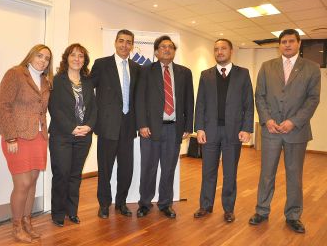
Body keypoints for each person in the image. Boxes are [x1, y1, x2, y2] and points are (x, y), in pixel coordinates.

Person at [249, 29, 321, 233]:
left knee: (294, 175)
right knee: (266, 174)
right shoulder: (266, 67)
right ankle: (262, 211)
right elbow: (259, 96)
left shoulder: (312, 68)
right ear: (279, 45)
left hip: (296, 131)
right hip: (271, 130)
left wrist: (294, 121)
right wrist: (267, 119)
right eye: (283, 42)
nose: (287, 45)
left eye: (291, 41)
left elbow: (313, 99)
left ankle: (293, 215)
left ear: (299, 43)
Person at [0, 44, 53, 243]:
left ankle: (28, 222)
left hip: (38, 137)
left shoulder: (46, 81)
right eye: (40, 56)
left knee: (32, 183)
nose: (43, 60)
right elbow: (3, 106)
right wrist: (10, 136)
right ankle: (17, 226)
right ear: (30, 56)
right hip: (17, 137)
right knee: (23, 184)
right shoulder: (15, 74)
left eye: (47, 58)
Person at [193, 39, 254, 223]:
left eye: (223, 48)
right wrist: (200, 128)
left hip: (233, 132)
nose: (219, 52)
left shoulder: (243, 74)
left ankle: (228, 208)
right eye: (216, 49)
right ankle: (205, 205)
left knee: (230, 173)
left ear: (231, 51)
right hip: (210, 131)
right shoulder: (206, 75)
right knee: (208, 171)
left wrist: (246, 128)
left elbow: (248, 104)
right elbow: (200, 103)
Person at [136, 35, 194, 218]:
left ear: (174, 51)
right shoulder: (145, 71)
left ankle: (165, 203)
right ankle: (145, 203)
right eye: (163, 47)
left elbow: (189, 101)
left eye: (170, 47)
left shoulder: (185, 72)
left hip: (174, 128)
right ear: (156, 52)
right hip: (151, 129)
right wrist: (142, 125)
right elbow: (140, 100)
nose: (167, 49)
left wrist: (188, 126)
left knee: (169, 168)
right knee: (148, 167)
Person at [90, 29, 140, 219]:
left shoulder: (136, 68)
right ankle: (104, 204)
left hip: (128, 127)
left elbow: (139, 98)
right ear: (115, 42)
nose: (124, 45)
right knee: (105, 169)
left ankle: (121, 203)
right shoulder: (101, 64)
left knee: (126, 169)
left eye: (128, 42)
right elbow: (88, 89)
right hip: (107, 126)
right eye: (121, 41)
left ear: (132, 45)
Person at [48, 43, 97, 227]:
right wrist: (71, 127)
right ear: (66, 57)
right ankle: (58, 213)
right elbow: (54, 108)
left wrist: (89, 126)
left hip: (84, 136)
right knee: (62, 173)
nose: (77, 59)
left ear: (84, 60)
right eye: (73, 55)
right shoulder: (57, 80)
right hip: (62, 136)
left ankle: (72, 211)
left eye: (81, 56)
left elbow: (94, 107)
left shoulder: (88, 81)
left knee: (76, 175)